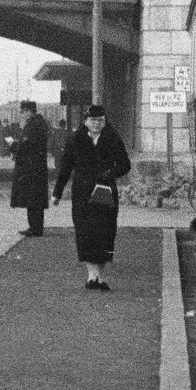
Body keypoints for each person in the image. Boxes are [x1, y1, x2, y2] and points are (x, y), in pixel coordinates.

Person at [52, 105, 131, 291]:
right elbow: (65, 168)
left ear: (105, 121)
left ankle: (99, 275)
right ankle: (92, 275)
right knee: (85, 232)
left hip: (105, 191)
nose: (97, 124)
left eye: (100, 120)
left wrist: (110, 173)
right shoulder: (75, 139)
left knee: (105, 232)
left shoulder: (113, 138)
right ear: (86, 121)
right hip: (82, 192)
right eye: (93, 120)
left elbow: (125, 165)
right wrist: (57, 192)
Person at [9, 100, 50, 237]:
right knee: (33, 197)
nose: (21, 115)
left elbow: (26, 144)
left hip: (32, 167)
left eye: (22, 112)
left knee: (33, 197)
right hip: (34, 166)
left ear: (29, 111)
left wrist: (14, 144)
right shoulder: (36, 123)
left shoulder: (34, 125)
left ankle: (35, 228)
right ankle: (34, 226)